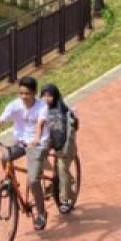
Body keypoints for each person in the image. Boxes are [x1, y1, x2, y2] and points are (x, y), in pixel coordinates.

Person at [0, 76, 50, 229]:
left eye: (27, 94)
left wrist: (37, 139)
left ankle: (42, 214)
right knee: (4, 156)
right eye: (21, 93)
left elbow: (40, 124)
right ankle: (12, 184)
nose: (24, 97)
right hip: (21, 143)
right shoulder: (15, 105)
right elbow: (0, 122)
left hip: (37, 145)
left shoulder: (42, 106)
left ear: (34, 93)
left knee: (33, 181)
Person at [37, 84, 79, 214]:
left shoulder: (63, 112)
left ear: (55, 97)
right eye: (44, 95)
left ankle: (65, 199)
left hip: (66, 144)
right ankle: (58, 180)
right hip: (51, 140)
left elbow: (66, 133)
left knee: (61, 168)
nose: (46, 98)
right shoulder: (40, 110)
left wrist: (61, 150)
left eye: (50, 96)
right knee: (37, 157)